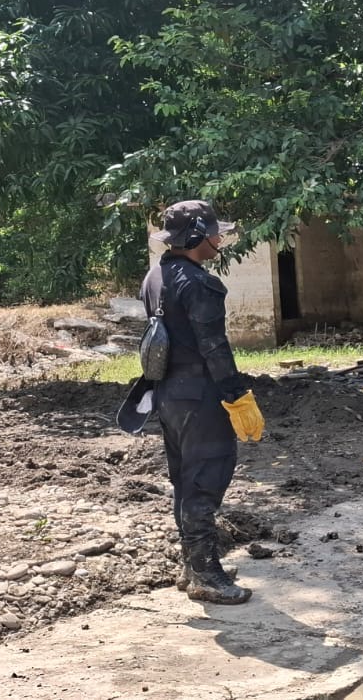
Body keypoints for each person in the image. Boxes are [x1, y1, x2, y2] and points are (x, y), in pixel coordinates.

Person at [142, 200, 264, 605]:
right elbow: (214, 347)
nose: (219, 239)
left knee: (184, 479)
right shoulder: (199, 283)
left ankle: (192, 563)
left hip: (167, 395)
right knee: (205, 479)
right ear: (196, 236)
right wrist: (237, 396)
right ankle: (206, 575)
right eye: (215, 233)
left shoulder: (155, 276)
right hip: (201, 396)